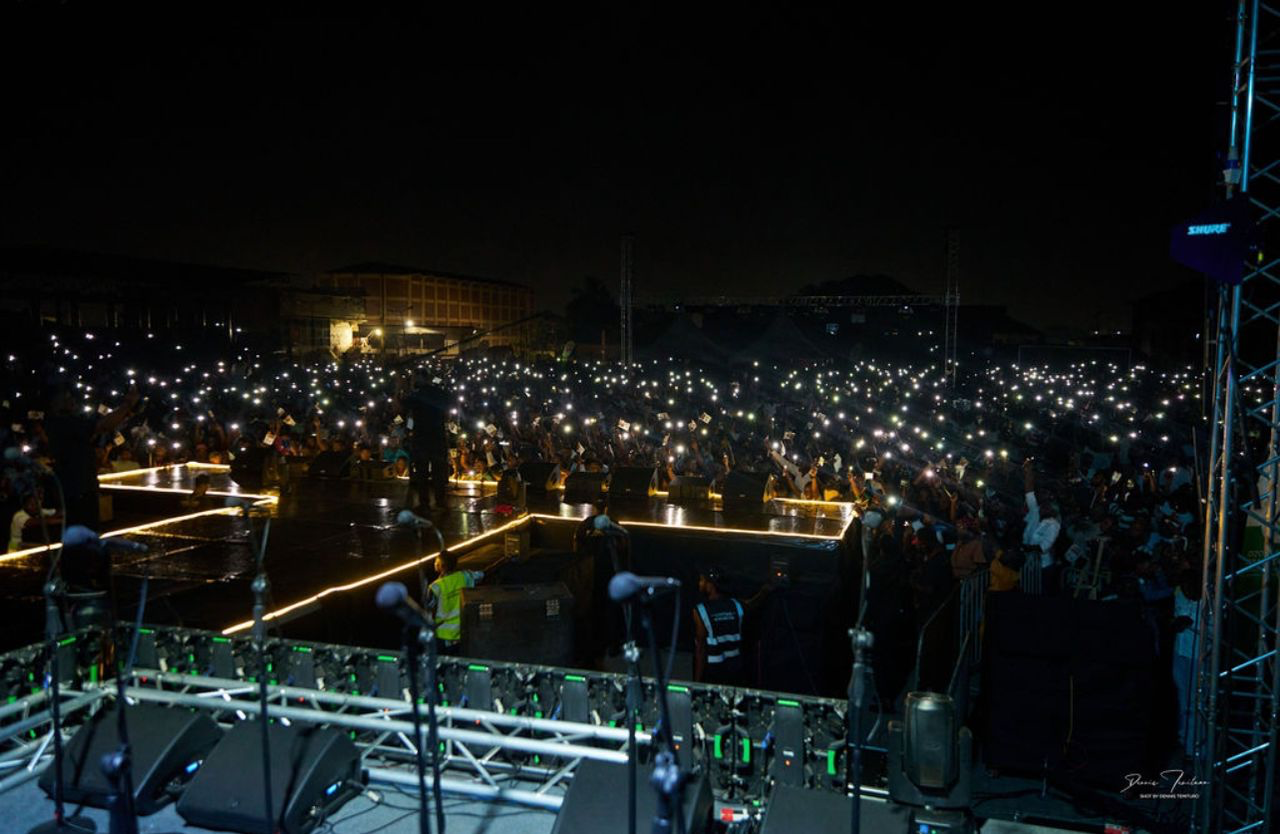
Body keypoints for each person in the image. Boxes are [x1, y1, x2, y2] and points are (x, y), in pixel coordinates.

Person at [693, 566, 772, 686]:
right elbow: (753, 604)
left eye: (702, 580)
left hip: (713, 673)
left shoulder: (700, 610)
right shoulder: (736, 605)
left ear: (711, 585)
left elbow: (701, 649)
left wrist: (696, 683)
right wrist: (764, 591)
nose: (700, 584)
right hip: (736, 672)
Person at [403, 374, 451, 515]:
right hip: (437, 436)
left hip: (421, 438)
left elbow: (404, 406)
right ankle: (440, 501)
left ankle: (424, 503)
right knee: (438, 472)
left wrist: (404, 386)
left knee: (422, 472)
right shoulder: (439, 393)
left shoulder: (416, 395)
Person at [426, 549, 484, 654]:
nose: (434, 563)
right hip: (463, 631)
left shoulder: (435, 587)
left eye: (436, 561)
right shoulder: (466, 576)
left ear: (441, 566)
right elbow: (480, 575)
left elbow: (429, 612)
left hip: (443, 635)